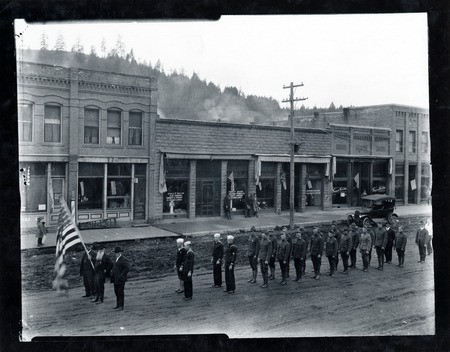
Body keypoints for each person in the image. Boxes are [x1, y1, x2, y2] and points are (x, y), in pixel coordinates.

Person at [110, 246, 131, 311]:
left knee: (120, 292)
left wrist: (121, 275)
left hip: (121, 279)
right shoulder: (117, 259)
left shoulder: (123, 259)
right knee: (116, 292)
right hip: (115, 279)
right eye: (115, 253)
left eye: (116, 253)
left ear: (119, 253)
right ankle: (118, 304)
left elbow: (127, 268)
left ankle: (121, 306)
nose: (115, 254)